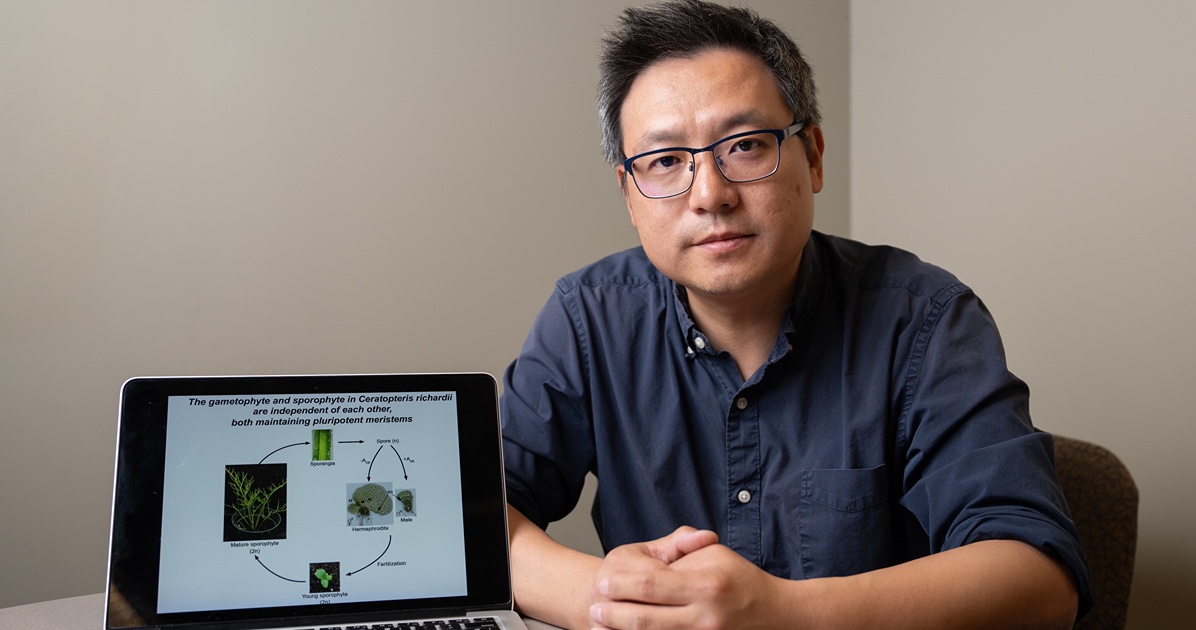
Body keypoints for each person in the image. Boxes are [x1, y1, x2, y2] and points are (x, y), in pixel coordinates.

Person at [500, 1, 1092, 628]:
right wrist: (614, 599)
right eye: (667, 161)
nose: (710, 195)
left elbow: (1040, 579)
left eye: (747, 145)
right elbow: (472, 519)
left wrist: (782, 612)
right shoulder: (588, 318)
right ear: (629, 193)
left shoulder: (926, 320)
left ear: (812, 156)